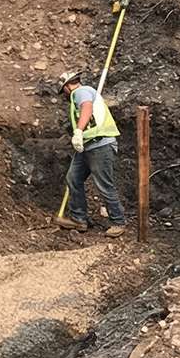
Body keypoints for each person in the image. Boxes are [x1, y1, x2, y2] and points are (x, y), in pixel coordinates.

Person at [58, 68, 127, 236]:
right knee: (73, 178)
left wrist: (79, 131)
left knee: (104, 185)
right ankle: (79, 219)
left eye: (63, 91)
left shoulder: (81, 92)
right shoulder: (81, 94)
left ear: (67, 86)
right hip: (88, 146)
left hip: (100, 144)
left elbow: (86, 108)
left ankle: (118, 221)